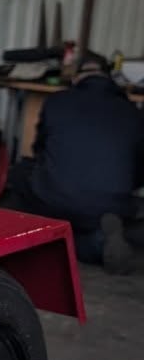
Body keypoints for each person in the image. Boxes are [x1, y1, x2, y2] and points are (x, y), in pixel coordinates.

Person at [7, 53, 144, 274]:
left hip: (56, 198)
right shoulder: (133, 113)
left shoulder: (57, 101)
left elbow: (39, 149)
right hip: (111, 204)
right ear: (109, 77)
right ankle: (101, 240)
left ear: (77, 78)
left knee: (20, 173)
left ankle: (31, 236)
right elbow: (138, 170)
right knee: (86, 220)